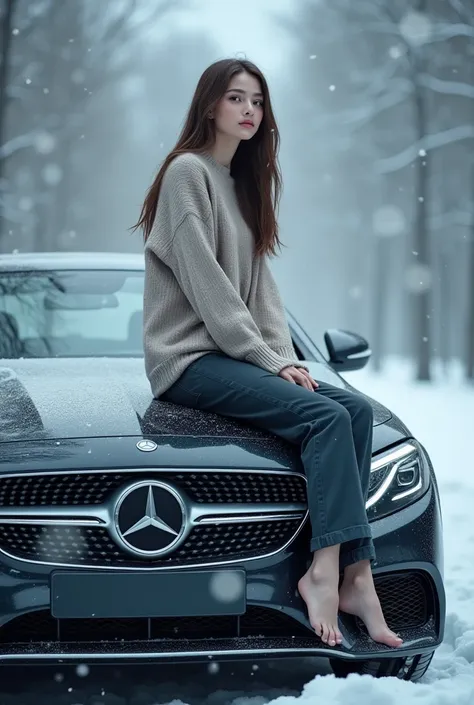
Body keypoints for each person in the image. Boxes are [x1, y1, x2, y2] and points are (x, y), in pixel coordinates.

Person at [133, 58, 403, 650]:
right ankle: (323, 573)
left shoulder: (241, 185)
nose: (250, 110)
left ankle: (358, 575)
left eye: (257, 101)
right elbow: (210, 287)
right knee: (325, 418)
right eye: (236, 99)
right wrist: (266, 358)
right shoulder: (187, 174)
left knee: (351, 410)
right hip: (191, 361)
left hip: (234, 357)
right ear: (210, 106)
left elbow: (262, 296)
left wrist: (286, 357)